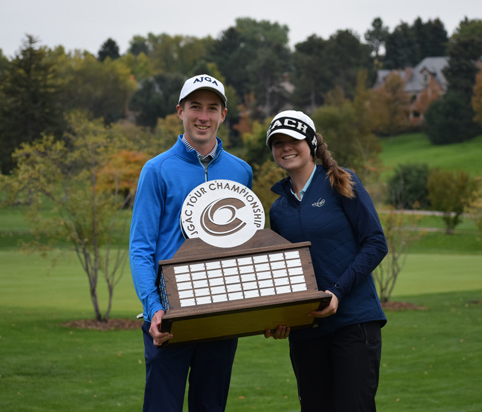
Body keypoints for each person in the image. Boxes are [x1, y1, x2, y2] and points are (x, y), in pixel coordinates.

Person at [129, 74, 253, 412]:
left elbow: (244, 244)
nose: (203, 116)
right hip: (170, 314)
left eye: (212, 108)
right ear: (180, 111)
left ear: (223, 115)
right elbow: (141, 247)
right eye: (195, 107)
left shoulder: (241, 171)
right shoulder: (157, 169)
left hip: (222, 313)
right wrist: (154, 309)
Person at [263, 110, 388, 412]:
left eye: (293, 140)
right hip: (307, 332)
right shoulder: (278, 209)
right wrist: (277, 317)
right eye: (277, 142)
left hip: (354, 323)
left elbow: (375, 243)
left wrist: (338, 291)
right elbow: (282, 271)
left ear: (312, 144)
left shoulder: (341, 182)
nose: (286, 147)